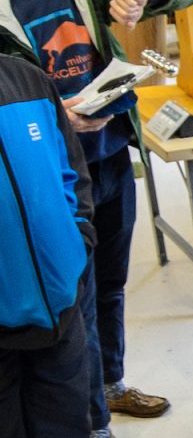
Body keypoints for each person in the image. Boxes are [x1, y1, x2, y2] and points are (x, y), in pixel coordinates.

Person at [0, 0, 193, 433]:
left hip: (111, 155)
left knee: (109, 282)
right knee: (71, 297)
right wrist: (51, 117)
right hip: (52, 176)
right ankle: (88, 416)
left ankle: (109, 383)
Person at [0, 54, 96, 438]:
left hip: (61, 307)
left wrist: (77, 239)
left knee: (69, 425)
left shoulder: (27, 78)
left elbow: (70, 170)